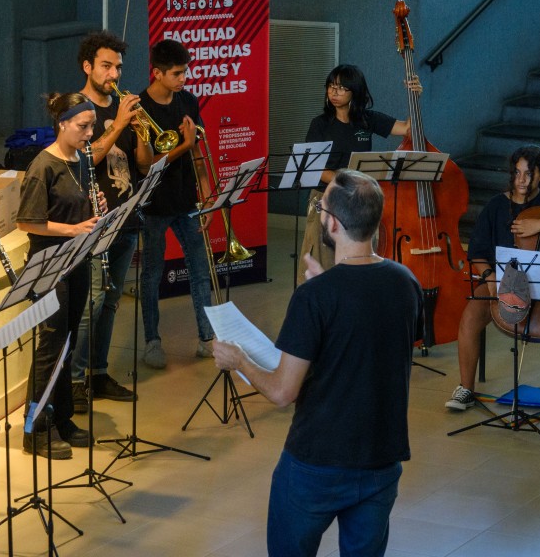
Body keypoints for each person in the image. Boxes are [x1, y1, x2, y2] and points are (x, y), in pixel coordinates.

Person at [212, 169, 422, 557]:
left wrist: (238, 359)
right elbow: (368, 331)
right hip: (382, 457)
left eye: (320, 206)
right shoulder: (405, 281)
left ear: (333, 223)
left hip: (318, 461)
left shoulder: (315, 298)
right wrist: (328, 284)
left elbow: (282, 391)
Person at [445, 146, 540, 421]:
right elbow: (478, 254)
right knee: (471, 313)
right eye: (517, 173)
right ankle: (465, 389)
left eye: (529, 174)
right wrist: (488, 276)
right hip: (505, 281)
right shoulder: (495, 206)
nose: (521, 180)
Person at [68, 30, 153, 412]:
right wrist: (118, 124)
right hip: (93, 221)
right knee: (93, 302)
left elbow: (143, 164)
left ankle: (99, 373)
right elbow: (86, 160)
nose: (114, 74)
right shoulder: (75, 111)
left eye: (118, 66)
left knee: (113, 300)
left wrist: (142, 136)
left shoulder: (122, 107)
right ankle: (74, 381)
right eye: (106, 66)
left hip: (127, 215)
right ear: (87, 67)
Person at [16, 92, 104, 458]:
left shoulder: (82, 160)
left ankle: (62, 417)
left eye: (92, 127)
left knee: (68, 341)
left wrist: (97, 210)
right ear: (63, 124)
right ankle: (36, 429)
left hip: (77, 261)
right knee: (51, 345)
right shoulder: (43, 166)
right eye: (82, 127)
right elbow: (27, 222)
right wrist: (74, 230)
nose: (88, 134)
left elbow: (79, 209)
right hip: (50, 264)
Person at [298, 64, 421, 283]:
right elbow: (313, 167)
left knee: (359, 259)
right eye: (331, 86)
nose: (334, 92)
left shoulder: (366, 119)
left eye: (342, 88)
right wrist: (345, 181)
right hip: (326, 199)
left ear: (355, 91)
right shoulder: (320, 124)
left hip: (359, 201)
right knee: (322, 262)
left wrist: (415, 97)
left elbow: (408, 128)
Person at [138, 39, 215, 369]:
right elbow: (146, 164)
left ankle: (207, 337)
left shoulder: (188, 101)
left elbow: (197, 150)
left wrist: (208, 193)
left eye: (185, 72)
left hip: (187, 199)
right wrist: (183, 145)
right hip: (154, 204)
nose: (184, 78)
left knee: (200, 269)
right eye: (177, 73)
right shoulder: (140, 108)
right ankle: (152, 341)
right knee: (153, 273)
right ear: (157, 73)